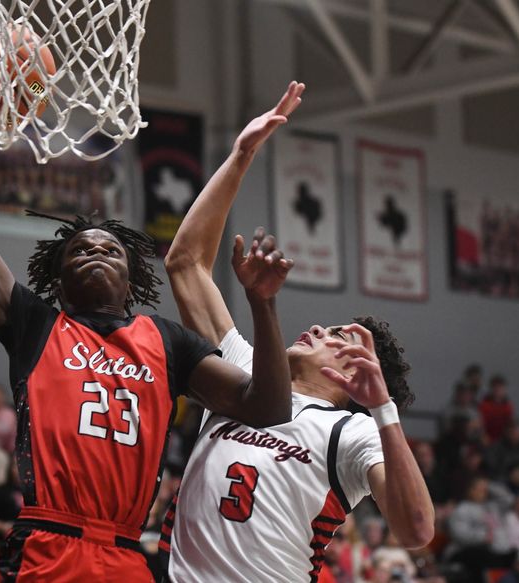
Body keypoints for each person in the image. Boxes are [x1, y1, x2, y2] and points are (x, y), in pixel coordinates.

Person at [0, 116, 294, 581]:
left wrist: (262, 306)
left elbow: (268, 407)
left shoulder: (169, 341)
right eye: (80, 251)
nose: (97, 251)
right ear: (59, 284)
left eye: (111, 250)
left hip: (126, 553)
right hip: (48, 544)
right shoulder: (36, 324)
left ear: (131, 283)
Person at [160, 81, 434, 583]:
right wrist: (241, 154)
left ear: (352, 369)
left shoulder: (352, 433)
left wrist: (383, 409)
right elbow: (185, 264)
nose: (315, 328)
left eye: (334, 336)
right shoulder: (242, 371)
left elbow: (417, 530)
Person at [480, 374, 514, 442]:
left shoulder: (508, 407)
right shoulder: (484, 405)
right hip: (487, 440)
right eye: (495, 387)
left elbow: (509, 424)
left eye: (500, 387)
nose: (497, 390)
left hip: (503, 441)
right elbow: (481, 424)